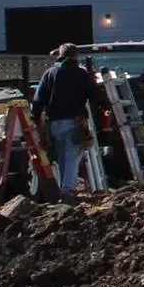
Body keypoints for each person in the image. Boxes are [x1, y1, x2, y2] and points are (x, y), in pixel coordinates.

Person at [32, 43, 100, 197]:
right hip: (75, 123)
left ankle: (63, 189)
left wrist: (35, 118)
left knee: (63, 157)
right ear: (75, 56)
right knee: (72, 157)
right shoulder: (81, 74)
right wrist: (106, 105)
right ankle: (67, 191)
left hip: (54, 124)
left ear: (60, 55)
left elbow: (39, 99)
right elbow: (94, 94)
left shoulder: (49, 74)